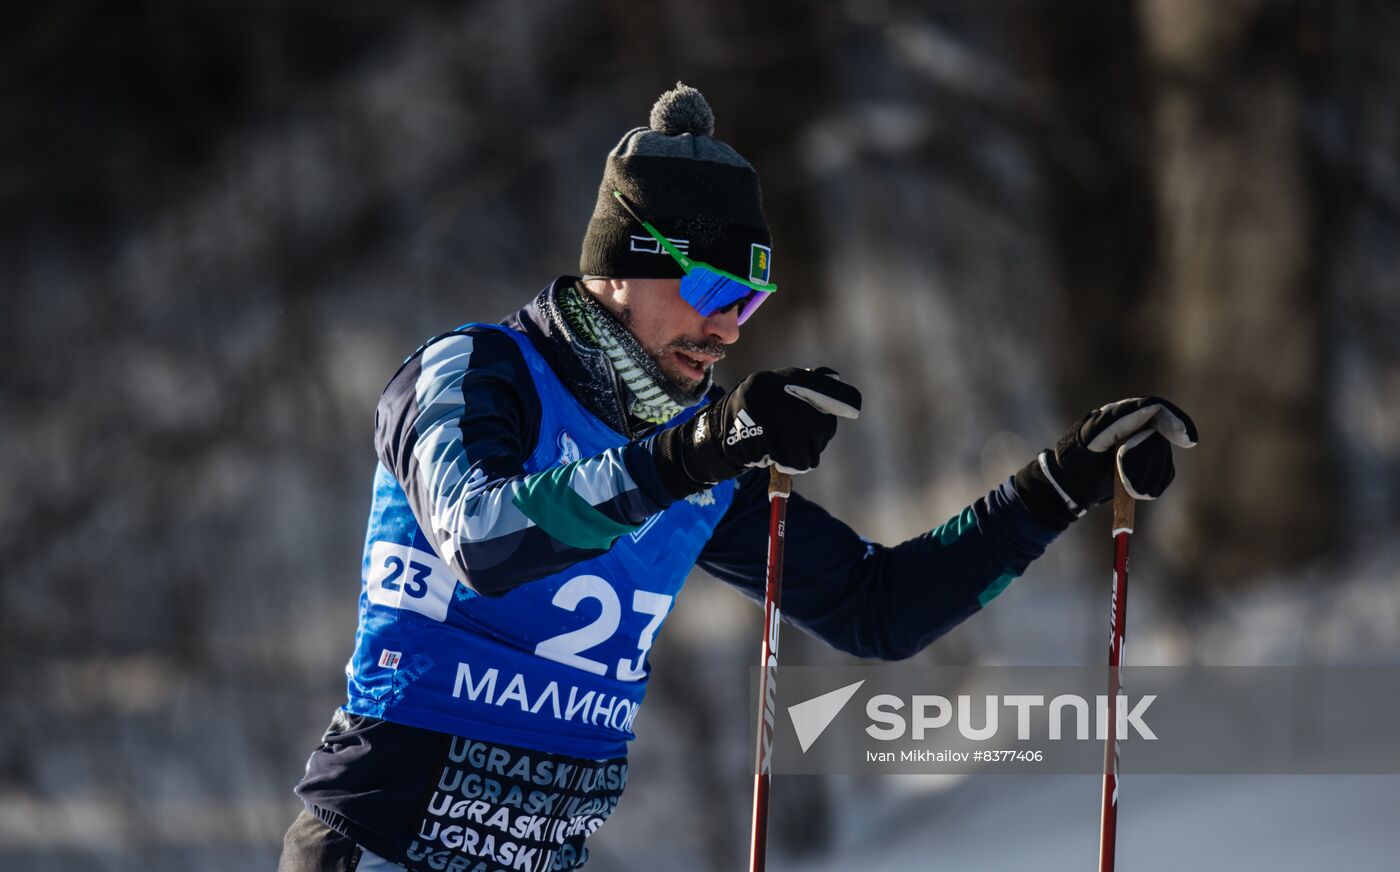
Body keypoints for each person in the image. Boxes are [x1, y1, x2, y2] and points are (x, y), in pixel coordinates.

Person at [279, 83, 1197, 872]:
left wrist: (1057, 484)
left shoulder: (692, 458)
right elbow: (482, 538)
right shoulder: (479, 373)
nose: (729, 330)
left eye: (751, 302)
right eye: (715, 293)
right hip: (379, 847)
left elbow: (878, 609)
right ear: (623, 269)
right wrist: (705, 449)